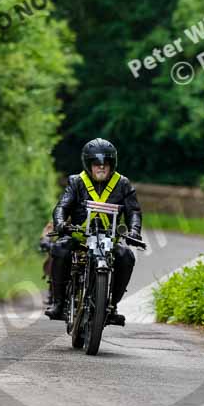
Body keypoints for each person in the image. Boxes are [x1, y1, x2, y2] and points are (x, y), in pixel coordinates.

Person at [45, 138, 142, 324]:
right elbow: (62, 207)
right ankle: (58, 303)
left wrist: (134, 231)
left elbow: (134, 212)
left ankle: (112, 306)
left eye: (105, 164)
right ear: (88, 165)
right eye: (96, 164)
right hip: (78, 237)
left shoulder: (123, 184)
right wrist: (60, 222)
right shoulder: (76, 182)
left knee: (126, 256)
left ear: (112, 165)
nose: (101, 168)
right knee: (60, 249)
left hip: (108, 239)